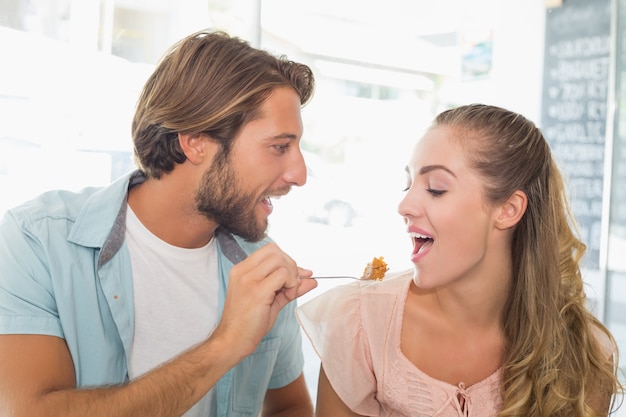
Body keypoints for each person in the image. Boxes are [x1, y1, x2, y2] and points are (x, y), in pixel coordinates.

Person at [0, 30, 318, 417]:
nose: (299, 174)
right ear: (196, 142)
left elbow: (289, 407)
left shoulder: (262, 266)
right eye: (279, 147)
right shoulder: (36, 242)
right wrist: (225, 344)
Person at [297, 103, 624, 416]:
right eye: (408, 184)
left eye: (436, 188)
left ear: (508, 210)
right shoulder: (359, 321)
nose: (404, 205)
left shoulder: (585, 353)